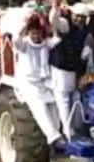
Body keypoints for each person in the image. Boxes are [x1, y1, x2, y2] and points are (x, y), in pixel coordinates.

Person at [13, 14, 66, 148]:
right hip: (28, 83)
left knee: (54, 106)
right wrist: (26, 24)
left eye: (37, 33)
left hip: (44, 82)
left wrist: (48, 26)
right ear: (29, 33)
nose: (35, 37)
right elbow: (16, 40)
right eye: (33, 33)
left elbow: (57, 39)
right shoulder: (24, 44)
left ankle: (57, 134)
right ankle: (52, 136)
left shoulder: (45, 43)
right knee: (40, 108)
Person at [49, 0, 90, 138]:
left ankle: (75, 129)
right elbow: (55, 21)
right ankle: (68, 133)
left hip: (74, 70)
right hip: (61, 70)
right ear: (72, 15)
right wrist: (55, 9)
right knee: (64, 102)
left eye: (82, 17)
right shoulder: (66, 25)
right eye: (77, 16)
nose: (79, 19)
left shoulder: (84, 29)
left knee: (76, 99)